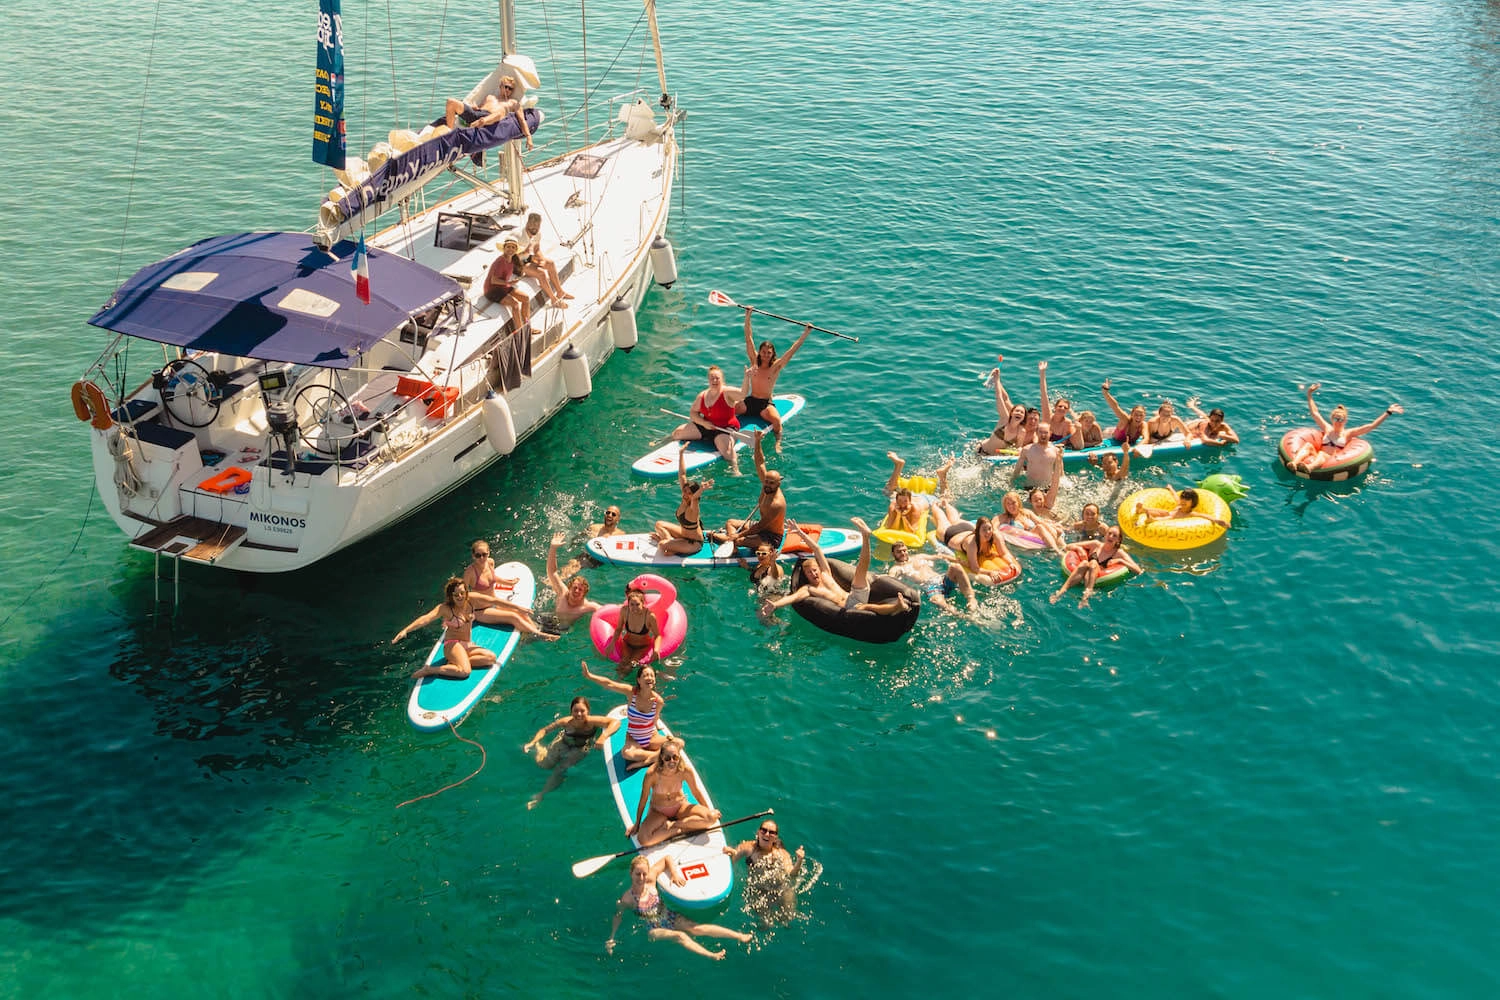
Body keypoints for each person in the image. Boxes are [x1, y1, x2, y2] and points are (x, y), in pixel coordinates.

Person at [607, 855, 752, 959]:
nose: (642, 878)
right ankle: (711, 955)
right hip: (653, 929)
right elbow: (617, 916)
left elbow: (667, 858)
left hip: (668, 915)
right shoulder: (627, 899)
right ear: (631, 873)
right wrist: (612, 937)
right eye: (638, 874)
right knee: (680, 935)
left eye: (644, 873)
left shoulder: (650, 881)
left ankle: (739, 936)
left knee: (696, 928)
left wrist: (674, 874)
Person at [765, 518, 911, 615]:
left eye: (814, 570)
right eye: (809, 573)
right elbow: (794, 597)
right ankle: (897, 607)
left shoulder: (826, 574)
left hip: (854, 595)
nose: (813, 574)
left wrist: (800, 533)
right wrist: (776, 605)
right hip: (848, 608)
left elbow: (816, 548)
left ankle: (865, 536)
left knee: (861, 569)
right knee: (868, 608)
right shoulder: (809, 589)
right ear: (806, 576)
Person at [392, 577, 498, 680]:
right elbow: (426, 618)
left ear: (466, 591)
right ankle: (430, 670)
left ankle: (456, 662)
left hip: (466, 644)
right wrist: (406, 630)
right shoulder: (444, 608)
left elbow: (495, 601)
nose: (460, 596)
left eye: (462, 593)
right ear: (451, 596)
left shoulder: (470, 601)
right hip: (452, 644)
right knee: (465, 672)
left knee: (491, 658)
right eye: (456, 595)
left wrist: (515, 608)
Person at [523, 696, 618, 809]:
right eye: (575, 711)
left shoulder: (592, 721)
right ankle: (540, 748)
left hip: (581, 747)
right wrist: (533, 742)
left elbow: (615, 722)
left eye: (582, 711)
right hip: (564, 741)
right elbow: (544, 730)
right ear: (571, 711)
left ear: (588, 711)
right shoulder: (565, 722)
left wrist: (603, 737)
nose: (578, 714)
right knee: (544, 765)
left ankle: (541, 795)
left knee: (560, 769)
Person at [1284, 382, 1403, 473]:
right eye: (1335, 418)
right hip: (1318, 454)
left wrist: (1388, 412)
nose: (1338, 421)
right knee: (1309, 446)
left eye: (1340, 419)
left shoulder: (1348, 434)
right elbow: (1315, 413)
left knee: (1322, 455)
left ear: (1345, 420)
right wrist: (1309, 394)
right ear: (1332, 419)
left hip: (1331, 459)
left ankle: (1309, 468)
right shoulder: (1327, 428)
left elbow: (1371, 426)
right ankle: (1294, 463)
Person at [738, 307, 810, 451]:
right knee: (730, 409)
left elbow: (792, 350)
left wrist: (806, 333)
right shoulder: (754, 362)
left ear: (772, 354)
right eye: (763, 352)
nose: (765, 355)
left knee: (777, 421)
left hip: (765, 404)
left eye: (768, 353)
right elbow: (748, 338)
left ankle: (778, 443)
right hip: (750, 401)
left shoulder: (776, 366)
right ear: (760, 352)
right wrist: (748, 316)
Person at [627, 736, 721, 846]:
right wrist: (637, 824)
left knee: (711, 818)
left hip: (680, 807)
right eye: (667, 758)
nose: (672, 761)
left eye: (675, 757)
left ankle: (674, 825)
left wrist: (708, 811)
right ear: (661, 757)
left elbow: (696, 791)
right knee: (643, 840)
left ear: (679, 757)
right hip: (658, 811)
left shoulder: (685, 770)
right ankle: (679, 830)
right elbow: (643, 799)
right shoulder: (652, 774)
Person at [461, 540, 556, 638]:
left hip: (495, 603)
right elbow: (462, 594)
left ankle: (534, 630)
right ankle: (540, 635)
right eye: (478, 555)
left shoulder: (490, 562)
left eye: (484, 554)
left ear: (488, 553)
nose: (481, 558)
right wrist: (462, 615)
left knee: (521, 613)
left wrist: (508, 583)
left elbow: (493, 578)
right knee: (513, 617)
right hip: (480, 611)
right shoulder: (470, 573)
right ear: (473, 556)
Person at [581, 660, 666, 768]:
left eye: (651, 675)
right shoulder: (631, 693)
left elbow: (655, 718)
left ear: (654, 680)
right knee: (626, 753)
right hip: (633, 738)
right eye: (645, 675)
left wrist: (657, 730)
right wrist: (589, 676)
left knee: (679, 743)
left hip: (651, 738)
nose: (649, 677)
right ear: (639, 680)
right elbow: (609, 683)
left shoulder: (658, 701)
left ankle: (646, 760)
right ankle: (656, 756)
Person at [725, 819, 806, 923]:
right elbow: (732, 859)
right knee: (765, 924)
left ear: (775, 837)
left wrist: (799, 861)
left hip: (781, 889)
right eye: (764, 830)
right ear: (758, 832)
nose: (767, 834)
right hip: (759, 891)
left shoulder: (781, 854)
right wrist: (730, 853)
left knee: (788, 918)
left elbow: (792, 874)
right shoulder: (748, 848)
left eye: (771, 832)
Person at [718, 430, 786, 550]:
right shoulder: (765, 484)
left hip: (771, 536)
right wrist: (758, 441)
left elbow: (760, 526)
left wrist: (738, 535)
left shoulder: (777, 504)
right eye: (766, 481)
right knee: (730, 522)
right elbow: (760, 462)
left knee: (738, 540)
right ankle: (731, 544)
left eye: (771, 483)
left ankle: (728, 541)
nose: (767, 485)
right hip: (760, 527)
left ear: (778, 484)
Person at [670, 366, 744, 472]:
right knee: (677, 432)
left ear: (722, 379)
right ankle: (664, 442)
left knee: (727, 452)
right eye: (712, 378)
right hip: (707, 425)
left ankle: (736, 470)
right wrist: (703, 423)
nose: (714, 380)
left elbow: (743, 394)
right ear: (708, 380)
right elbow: (693, 413)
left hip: (725, 428)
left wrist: (747, 377)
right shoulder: (702, 396)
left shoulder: (727, 392)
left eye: (717, 378)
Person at [1051, 526, 1142, 608]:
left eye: (1114, 535)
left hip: (1096, 575)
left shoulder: (1118, 553)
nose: (1110, 536)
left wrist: (1120, 561)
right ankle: (1060, 592)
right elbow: (1068, 546)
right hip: (1083, 571)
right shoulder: (1095, 544)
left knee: (1093, 563)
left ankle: (1085, 597)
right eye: (1109, 533)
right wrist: (1079, 549)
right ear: (1105, 535)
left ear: (1118, 540)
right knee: (1084, 563)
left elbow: (1138, 570)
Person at [444, 75, 533, 150]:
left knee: (500, 112)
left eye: (510, 89)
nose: (507, 90)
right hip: (478, 115)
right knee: (451, 102)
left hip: (491, 119)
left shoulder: (513, 102)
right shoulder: (490, 97)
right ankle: (449, 134)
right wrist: (474, 107)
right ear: (500, 86)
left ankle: (481, 122)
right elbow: (479, 108)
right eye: (506, 87)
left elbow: (522, 120)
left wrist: (529, 137)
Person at [653, 446, 713, 556]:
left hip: (694, 543)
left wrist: (701, 489)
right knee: (658, 524)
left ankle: (671, 545)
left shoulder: (693, 508)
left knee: (662, 545)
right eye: (685, 491)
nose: (685, 494)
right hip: (683, 534)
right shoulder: (684, 498)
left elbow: (695, 498)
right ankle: (671, 542)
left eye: (689, 493)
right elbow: (682, 475)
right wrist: (681, 454)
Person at [886, 541, 977, 613]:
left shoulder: (920, 557)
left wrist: (961, 562)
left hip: (942, 580)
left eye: (904, 550)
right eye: (899, 552)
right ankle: (961, 616)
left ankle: (971, 599)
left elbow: (940, 556)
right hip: (931, 587)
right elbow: (890, 578)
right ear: (893, 554)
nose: (903, 553)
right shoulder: (896, 568)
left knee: (955, 567)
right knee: (938, 601)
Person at [553, 504, 626, 579]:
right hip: (587, 554)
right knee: (572, 563)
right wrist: (572, 546)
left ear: (618, 519)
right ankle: (554, 579)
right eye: (608, 513)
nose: (609, 515)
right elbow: (579, 537)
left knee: (575, 567)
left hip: (601, 559)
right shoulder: (594, 528)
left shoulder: (620, 535)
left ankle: (557, 580)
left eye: (613, 514)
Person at [481, 236, 535, 335]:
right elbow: (493, 280)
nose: (511, 249)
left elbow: (516, 271)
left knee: (526, 298)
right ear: (504, 248)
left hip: (503, 287)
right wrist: (509, 283)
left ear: (516, 250)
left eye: (513, 247)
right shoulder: (500, 261)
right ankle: (520, 332)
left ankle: (527, 326)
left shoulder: (512, 260)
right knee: (515, 304)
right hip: (492, 290)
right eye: (508, 247)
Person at [544, 533, 600, 630]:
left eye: (580, 589)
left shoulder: (588, 607)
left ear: (584, 594)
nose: (577, 591)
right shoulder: (562, 593)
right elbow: (552, 572)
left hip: (563, 630)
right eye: (574, 587)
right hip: (548, 620)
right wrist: (553, 548)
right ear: (569, 588)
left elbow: (606, 611)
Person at [515, 211, 571, 302]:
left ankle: (560, 292)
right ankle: (553, 299)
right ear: (527, 223)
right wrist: (533, 260)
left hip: (528, 259)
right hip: (518, 264)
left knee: (550, 263)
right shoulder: (520, 237)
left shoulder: (537, 234)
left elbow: (537, 250)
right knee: (541, 273)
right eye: (532, 226)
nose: (535, 229)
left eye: (537, 226)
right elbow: (516, 257)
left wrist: (541, 259)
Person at [978, 365, 1029, 455]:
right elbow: (1000, 398)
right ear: (1012, 413)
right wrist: (997, 380)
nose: (1019, 413)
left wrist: (1020, 451)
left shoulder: (1021, 431)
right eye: (1017, 411)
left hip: (995, 458)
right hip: (981, 451)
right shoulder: (1004, 419)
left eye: (1022, 412)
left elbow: (1018, 448)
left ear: (1024, 417)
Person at [995, 490, 1065, 554]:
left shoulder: (1026, 512)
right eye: (1008, 504)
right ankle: (1056, 551)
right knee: (1039, 527)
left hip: (1038, 536)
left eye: (1013, 503)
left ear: (1018, 502)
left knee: (1056, 529)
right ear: (1005, 506)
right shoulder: (1004, 517)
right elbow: (993, 525)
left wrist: (1052, 528)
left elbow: (1040, 521)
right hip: (1026, 541)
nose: (1011, 506)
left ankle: (1065, 548)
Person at [610, 583, 661, 668]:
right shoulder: (624, 611)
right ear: (628, 603)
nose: (634, 608)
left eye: (637, 605)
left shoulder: (649, 616)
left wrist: (656, 650)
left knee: (631, 665)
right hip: (627, 643)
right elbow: (618, 629)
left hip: (642, 646)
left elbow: (657, 635)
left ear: (643, 603)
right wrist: (612, 643)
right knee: (622, 663)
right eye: (632, 605)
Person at [1132, 487, 1230, 529]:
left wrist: (1220, 521)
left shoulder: (1191, 514)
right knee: (1165, 512)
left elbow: (1206, 516)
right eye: (1182, 497)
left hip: (1169, 521)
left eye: (1187, 499)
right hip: (1168, 514)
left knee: (1168, 517)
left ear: (1193, 502)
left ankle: (1152, 520)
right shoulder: (1179, 505)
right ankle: (1142, 510)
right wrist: (1171, 489)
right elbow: (1175, 496)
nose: (1183, 500)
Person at [1014, 413, 1062, 489]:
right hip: (1029, 487)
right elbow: (1017, 470)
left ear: (1050, 434)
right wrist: (1012, 482)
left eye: (1046, 432)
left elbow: (1060, 472)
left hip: (1047, 487)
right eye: (1041, 432)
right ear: (1036, 433)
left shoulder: (1055, 451)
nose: (1043, 435)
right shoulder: (1027, 450)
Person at [1037, 360, 1077, 443]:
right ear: (1055, 407)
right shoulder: (1047, 417)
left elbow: (1063, 442)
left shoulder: (1067, 422)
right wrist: (1042, 373)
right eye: (1060, 406)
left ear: (1067, 411)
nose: (1062, 408)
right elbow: (1044, 393)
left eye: (1065, 408)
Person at [1101, 378, 1148, 446]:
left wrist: (1138, 447)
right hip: (1109, 435)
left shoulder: (1143, 425)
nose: (1138, 417)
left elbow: (1146, 438)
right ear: (1131, 415)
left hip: (1125, 441)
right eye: (1136, 414)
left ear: (1144, 416)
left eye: (1141, 415)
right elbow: (1115, 407)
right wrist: (1105, 393)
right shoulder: (1125, 419)